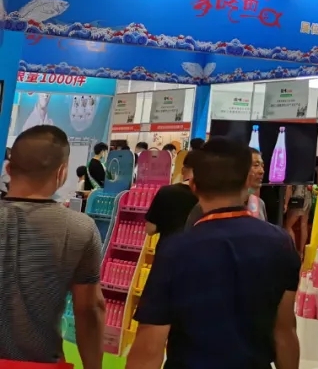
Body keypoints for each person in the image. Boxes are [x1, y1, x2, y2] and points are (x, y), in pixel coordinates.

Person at [128, 138, 301, 369]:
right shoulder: (280, 243)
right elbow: (285, 331)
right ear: (246, 181)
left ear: (193, 185)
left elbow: (149, 348)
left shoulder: (176, 250)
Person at [0, 125, 104, 368]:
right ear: (62, 172)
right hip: (41, 362)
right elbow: (89, 309)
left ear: (8, 168)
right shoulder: (80, 228)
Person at [186, 146, 267, 229]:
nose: (261, 171)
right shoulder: (207, 206)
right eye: (256, 165)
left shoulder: (259, 204)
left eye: (262, 166)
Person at [146, 151, 200, 243]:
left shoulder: (166, 191)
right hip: (195, 247)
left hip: (167, 247)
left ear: (183, 170)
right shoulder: (207, 196)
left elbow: (150, 229)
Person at [283, 183, 312, 254]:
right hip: (308, 198)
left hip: (297, 199)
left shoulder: (294, 174)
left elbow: (289, 186)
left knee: (288, 226)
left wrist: (286, 203)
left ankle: (294, 252)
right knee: (304, 225)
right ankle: (301, 253)